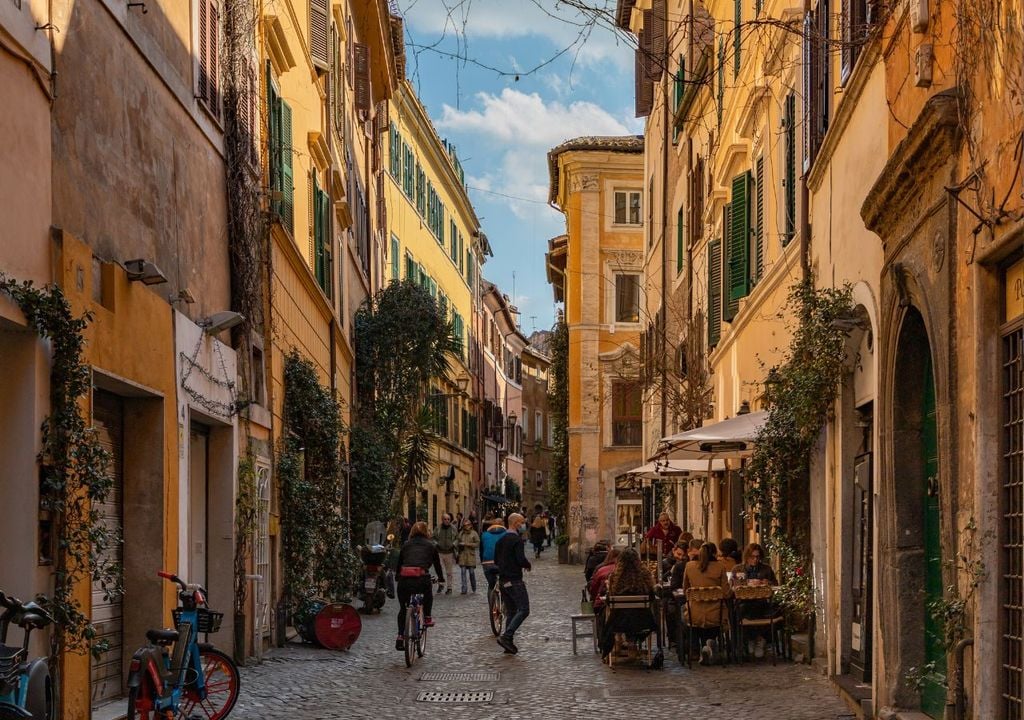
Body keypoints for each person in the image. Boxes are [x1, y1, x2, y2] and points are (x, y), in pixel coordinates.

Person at [600, 548, 661, 661]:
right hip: (642, 621)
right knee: (634, 614)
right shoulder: (645, 576)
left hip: (618, 622)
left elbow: (609, 600)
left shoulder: (614, 577)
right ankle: (632, 643)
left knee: (613, 613)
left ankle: (618, 640)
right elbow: (652, 596)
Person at [394, 521, 444, 651]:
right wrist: (441, 579)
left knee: (403, 609)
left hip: (404, 580)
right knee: (428, 593)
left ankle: (400, 636)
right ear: (426, 532)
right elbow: (437, 565)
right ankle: (427, 617)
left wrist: (397, 577)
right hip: (421, 579)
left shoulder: (406, 545)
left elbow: (399, 564)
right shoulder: (431, 546)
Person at [682, 542, 731, 664]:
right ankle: (710, 644)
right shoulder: (720, 567)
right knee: (726, 612)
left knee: (683, 613)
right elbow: (725, 593)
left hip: (695, 616)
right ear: (714, 553)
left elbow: (685, 590)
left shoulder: (689, 566)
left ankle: (695, 649)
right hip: (716, 616)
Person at [732, 542, 779, 658]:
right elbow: (733, 586)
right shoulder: (738, 569)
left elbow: (775, 584)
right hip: (743, 602)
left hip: (761, 603)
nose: (755, 560)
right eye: (752, 557)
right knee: (739, 610)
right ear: (747, 557)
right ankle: (754, 639)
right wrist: (747, 583)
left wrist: (766, 583)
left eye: (758, 557)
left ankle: (755, 639)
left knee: (760, 608)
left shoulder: (766, 569)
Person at [494, 512, 532, 654]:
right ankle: (507, 636)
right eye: (522, 522)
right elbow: (520, 559)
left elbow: (496, 560)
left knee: (511, 611)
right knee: (524, 609)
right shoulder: (517, 540)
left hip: (503, 580)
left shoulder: (501, 540)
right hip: (514, 579)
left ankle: (508, 643)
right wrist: (527, 564)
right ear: (516, 523)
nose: (523, 525)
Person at [434, 514, 458, 595]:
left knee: (449, 572)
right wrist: (436, 544)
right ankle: (441, 585)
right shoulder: (438, 528)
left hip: (449, 552)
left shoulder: (453, 528)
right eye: (445, 519)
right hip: (439, 552)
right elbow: (433, 538)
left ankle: (449, 587)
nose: (447, 520)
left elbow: (457, 538)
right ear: (442, 520)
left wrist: (453, 544)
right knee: (440, 571)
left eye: (448, 519)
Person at [456, 518, 480, 594]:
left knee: (471, 573)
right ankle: (464, 589)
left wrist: (467, 544)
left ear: (470, 525)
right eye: (465, 525)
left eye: (468, 525)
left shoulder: (474, 533)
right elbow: (457, 541)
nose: (466, 526)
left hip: (470, 555)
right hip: (462, 555)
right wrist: (458, 545)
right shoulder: (461, 533)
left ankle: (474, 587)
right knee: (463, 572)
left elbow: (477, 544)